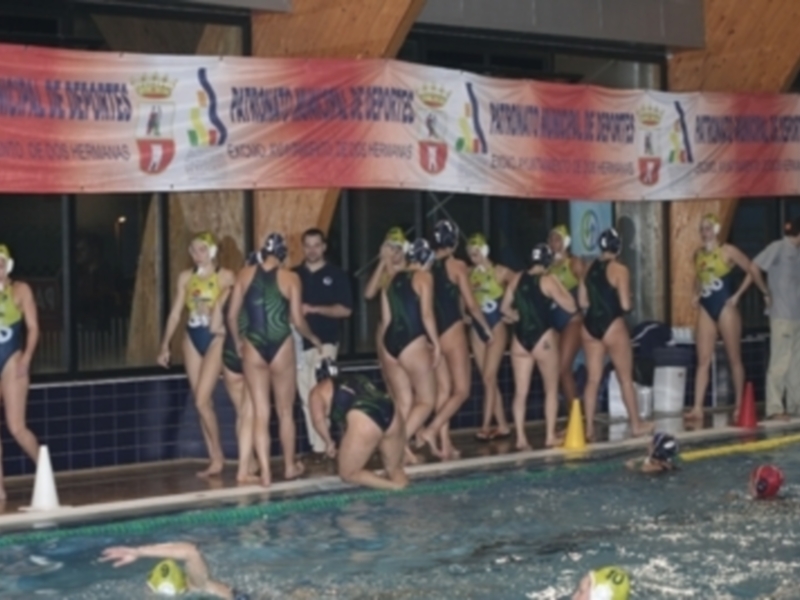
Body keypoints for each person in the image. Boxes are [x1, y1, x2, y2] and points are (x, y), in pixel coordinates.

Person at [227, 233, 324, 487]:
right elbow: (297, 320)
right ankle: (290, 466)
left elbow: (231, 315)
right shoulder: (291, 278)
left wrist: (237, 340)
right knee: (285, 412)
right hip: (281, 345)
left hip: (253, 346)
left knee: (260, 412)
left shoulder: (244, 275)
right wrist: (313, 338)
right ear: (283, 255)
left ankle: (266, 473)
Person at [157, 232, 235, 478]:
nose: (196, 255)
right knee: (202, 403)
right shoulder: (185, 277)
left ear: (212, 251)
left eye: (201, 250)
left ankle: (220, 456)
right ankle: (215, 458)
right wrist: (164, 345)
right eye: (193, 251)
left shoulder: (225, 276)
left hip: (216, 338)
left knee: (202, 400)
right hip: (192, 337)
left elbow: (234, 312)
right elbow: (175, 314)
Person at [417, 220, 492, 460]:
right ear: (454, 242)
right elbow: (471, 304)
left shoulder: (424, 268)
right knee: (461, 391)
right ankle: (432, 430)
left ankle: (445, 445)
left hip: (432, 335)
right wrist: (485, 328)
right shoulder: (457, 265)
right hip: (452, 331)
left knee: (444, 390)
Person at [686, 214, 767, 423]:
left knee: (734, 358)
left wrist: (739, 294)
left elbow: (752, 268)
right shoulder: (698, 255)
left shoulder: (728, 251)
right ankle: (697, 408)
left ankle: (740, 405)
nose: (705, 233)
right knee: (703, 360)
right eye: (702, 229)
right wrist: (695, 294)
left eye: (708, 228)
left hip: (726, 307)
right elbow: (699, 278)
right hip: (706, 306)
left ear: (716, 229)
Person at [579, 228, 653, 441]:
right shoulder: (620, 269)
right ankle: (637, 425)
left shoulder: (589, 268)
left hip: (590, 327)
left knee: (592, 380)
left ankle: (589, 429)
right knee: (625, 379)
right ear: (618, 247)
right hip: (613, 326)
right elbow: (625, 305)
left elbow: (583, 303)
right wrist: (629, 297)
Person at [501, 243, 577, 450]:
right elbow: (571, 305)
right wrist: (560, 288)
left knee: (520, 392)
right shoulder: (548, 280)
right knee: (551, 390)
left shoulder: (516, 278)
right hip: (543, 340)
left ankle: (520, 439)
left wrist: (516, 316)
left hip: (519, 341)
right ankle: (550, 436)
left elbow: (503, 308)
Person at [293, 228, 353, 458]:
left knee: (323, 395)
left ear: (324, 247)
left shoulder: (336, 275)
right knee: (306, 397)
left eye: (316, 245)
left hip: (325, 343)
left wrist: (314, 309)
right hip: (299, 344)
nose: (312, 250)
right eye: (308, 245)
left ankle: (329, 444)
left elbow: (345, 310)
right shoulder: (294, 275)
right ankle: (319, 447)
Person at [380, 238, 440, 463]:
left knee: (404, 401)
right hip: (412, 341)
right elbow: (426, 315)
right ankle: (397, 444)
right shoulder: (424, 277)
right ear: (426, 260)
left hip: (389, 344)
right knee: (426, 401)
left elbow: (386, 320)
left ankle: (398, 452)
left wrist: (384, 353)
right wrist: (437, 343)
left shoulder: (391, 279)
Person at [308, 358, 408, 490]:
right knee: (394, 470)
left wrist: (329, 442)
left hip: (365, 416)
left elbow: (318, 420)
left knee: (348, 473)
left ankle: (394, 487)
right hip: (392, 412)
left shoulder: (317, 392)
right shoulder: (355, 378)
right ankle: (402, 488)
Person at [0, 244, 40, 501]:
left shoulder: (20, 290)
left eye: (1, 264)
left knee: (17, 428)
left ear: (8, 266)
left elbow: (34, 328)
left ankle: (43, 468)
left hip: (12, 363)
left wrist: (26, 358)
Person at [464, 233, 513, 443]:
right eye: (470, 253)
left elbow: (522, 283)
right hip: (477, 328)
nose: (473, 256)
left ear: (484, 250)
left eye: (476, 251)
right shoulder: (468, 274)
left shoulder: (500, 272)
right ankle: (502, 425)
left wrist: (512, 310)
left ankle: (485, 426)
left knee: (488, 378)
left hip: (497, 325)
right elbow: (462, 295)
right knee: (488, 380)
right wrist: (464, 313)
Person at [750, 217, 800, 420]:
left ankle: (795, 405)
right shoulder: (779, 247)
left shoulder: (797, 253)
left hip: (796, 316)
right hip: (782, 315)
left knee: (796, 364)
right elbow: (754, 267)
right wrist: (765, 292)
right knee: (780, 361)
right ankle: (775, 408)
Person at [100, 542, 249, 599]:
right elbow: (190, 552)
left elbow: (191, 551)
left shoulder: (200, 587)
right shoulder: (202, 586)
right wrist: (139, 552)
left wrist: (139, 552)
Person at [363, 227, 409, 404]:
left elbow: (396, 285)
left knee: (405, 383)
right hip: (384, 331)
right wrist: (382, 262)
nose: (393, 253)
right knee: (389, 380)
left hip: (404, 329)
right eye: (390, 249)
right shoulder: (384, 270)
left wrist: (387, 263)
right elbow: (368, 294)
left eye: (396, 249)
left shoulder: (409, 270)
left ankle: (409, 424)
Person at [547, 225, 584, 405]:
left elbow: (586, 288)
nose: (553, 243)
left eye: (557, 239)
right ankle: (566, 415)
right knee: (554, 371)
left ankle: (576, 418)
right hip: (553, 323)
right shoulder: (547, 267)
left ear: (566, 241)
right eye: (551, 239)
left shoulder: (573, 263)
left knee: (564, 369)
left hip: (572, 321)